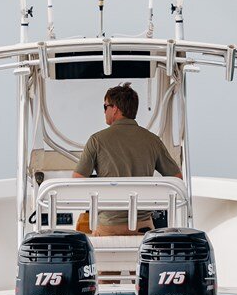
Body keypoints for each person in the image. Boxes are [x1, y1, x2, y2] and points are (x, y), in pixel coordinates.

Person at [73, 82, 182, 235]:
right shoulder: (152, 140)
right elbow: (177, 178)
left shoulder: (97, 140)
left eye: (105, 107)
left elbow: (77, 180)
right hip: (143, 227)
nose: (104, 112)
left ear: (115, 108)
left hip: (109, 227)